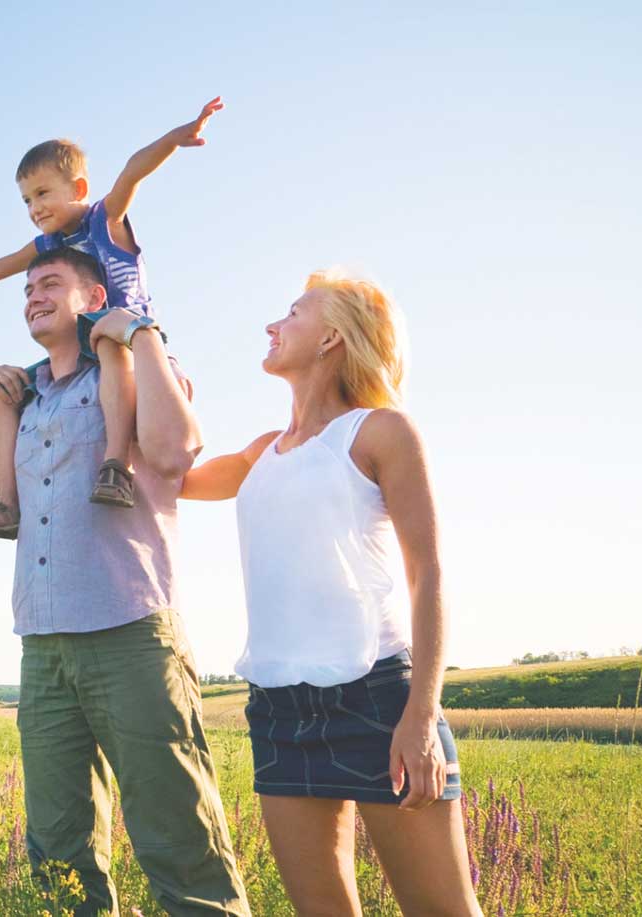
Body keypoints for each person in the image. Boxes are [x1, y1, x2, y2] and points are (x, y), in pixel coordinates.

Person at [0, 246, 249, 916]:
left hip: (130, 632)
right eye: (25, 292)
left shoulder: (132, 370)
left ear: (92, 297)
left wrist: (139, 334)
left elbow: (174, 450)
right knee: (57, 847)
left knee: (178, 836)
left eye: (49, 283)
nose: (31, 297)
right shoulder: (24, 400)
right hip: (43, 646)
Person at [180, 270, 483, 916]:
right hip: (278, 713)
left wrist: (420, 716)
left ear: (331, 339)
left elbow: (428, 574)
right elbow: (169, 475)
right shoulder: (262, 451)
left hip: (377, 701)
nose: (272, 325)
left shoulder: (380, 433)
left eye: (292, 313)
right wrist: (149, 362)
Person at [0, 97, 224, 542]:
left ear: (77, 189)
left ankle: (115, 464)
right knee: (5, 391)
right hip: (78, 352)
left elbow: (133, 170)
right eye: (26, 200)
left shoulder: (104, 219)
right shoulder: (47, 246)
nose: (34, 208)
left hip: (124, 337)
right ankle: (7, 505)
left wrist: (177, 137)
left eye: (42, 194)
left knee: (106, 341)